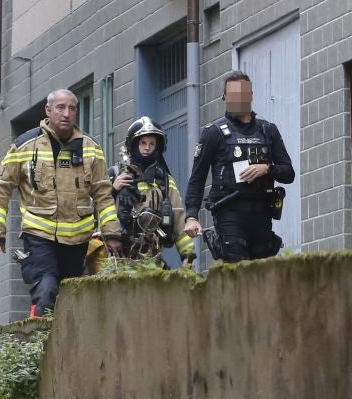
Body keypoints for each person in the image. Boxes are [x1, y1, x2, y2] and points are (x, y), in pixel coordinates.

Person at [0, 89, 121, 315]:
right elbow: (1, 187)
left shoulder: (91, 149)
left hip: (78, 240)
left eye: (72, 108)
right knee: (46, 289)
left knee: (70, 297)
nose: (67, 113)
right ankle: (41, 345)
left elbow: (103, 195)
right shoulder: (25, 145)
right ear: (48, 111)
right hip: (39, 235)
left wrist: (112, 233)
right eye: (60, 108)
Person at [183, 70, 296, 262]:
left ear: (251, 96)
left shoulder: (267, 130)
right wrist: (191, 216)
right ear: (225, 97)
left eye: (242, 95)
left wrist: (267, 168)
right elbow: (197, 178)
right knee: (238, 271)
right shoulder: (214, 133)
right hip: (230, 213)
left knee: (262, 275)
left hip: (262, 213)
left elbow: (289, 173)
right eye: (233, 95)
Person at [108, 117, 197, 265]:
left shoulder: (165, 181)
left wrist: (188, 257)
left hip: (152, 259)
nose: (147, 147)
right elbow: (96, 209)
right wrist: (113, 190)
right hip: (117, 258)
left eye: (152, 143)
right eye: (143, 143)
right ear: (134, 144)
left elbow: (179, 222)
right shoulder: (115, 174)